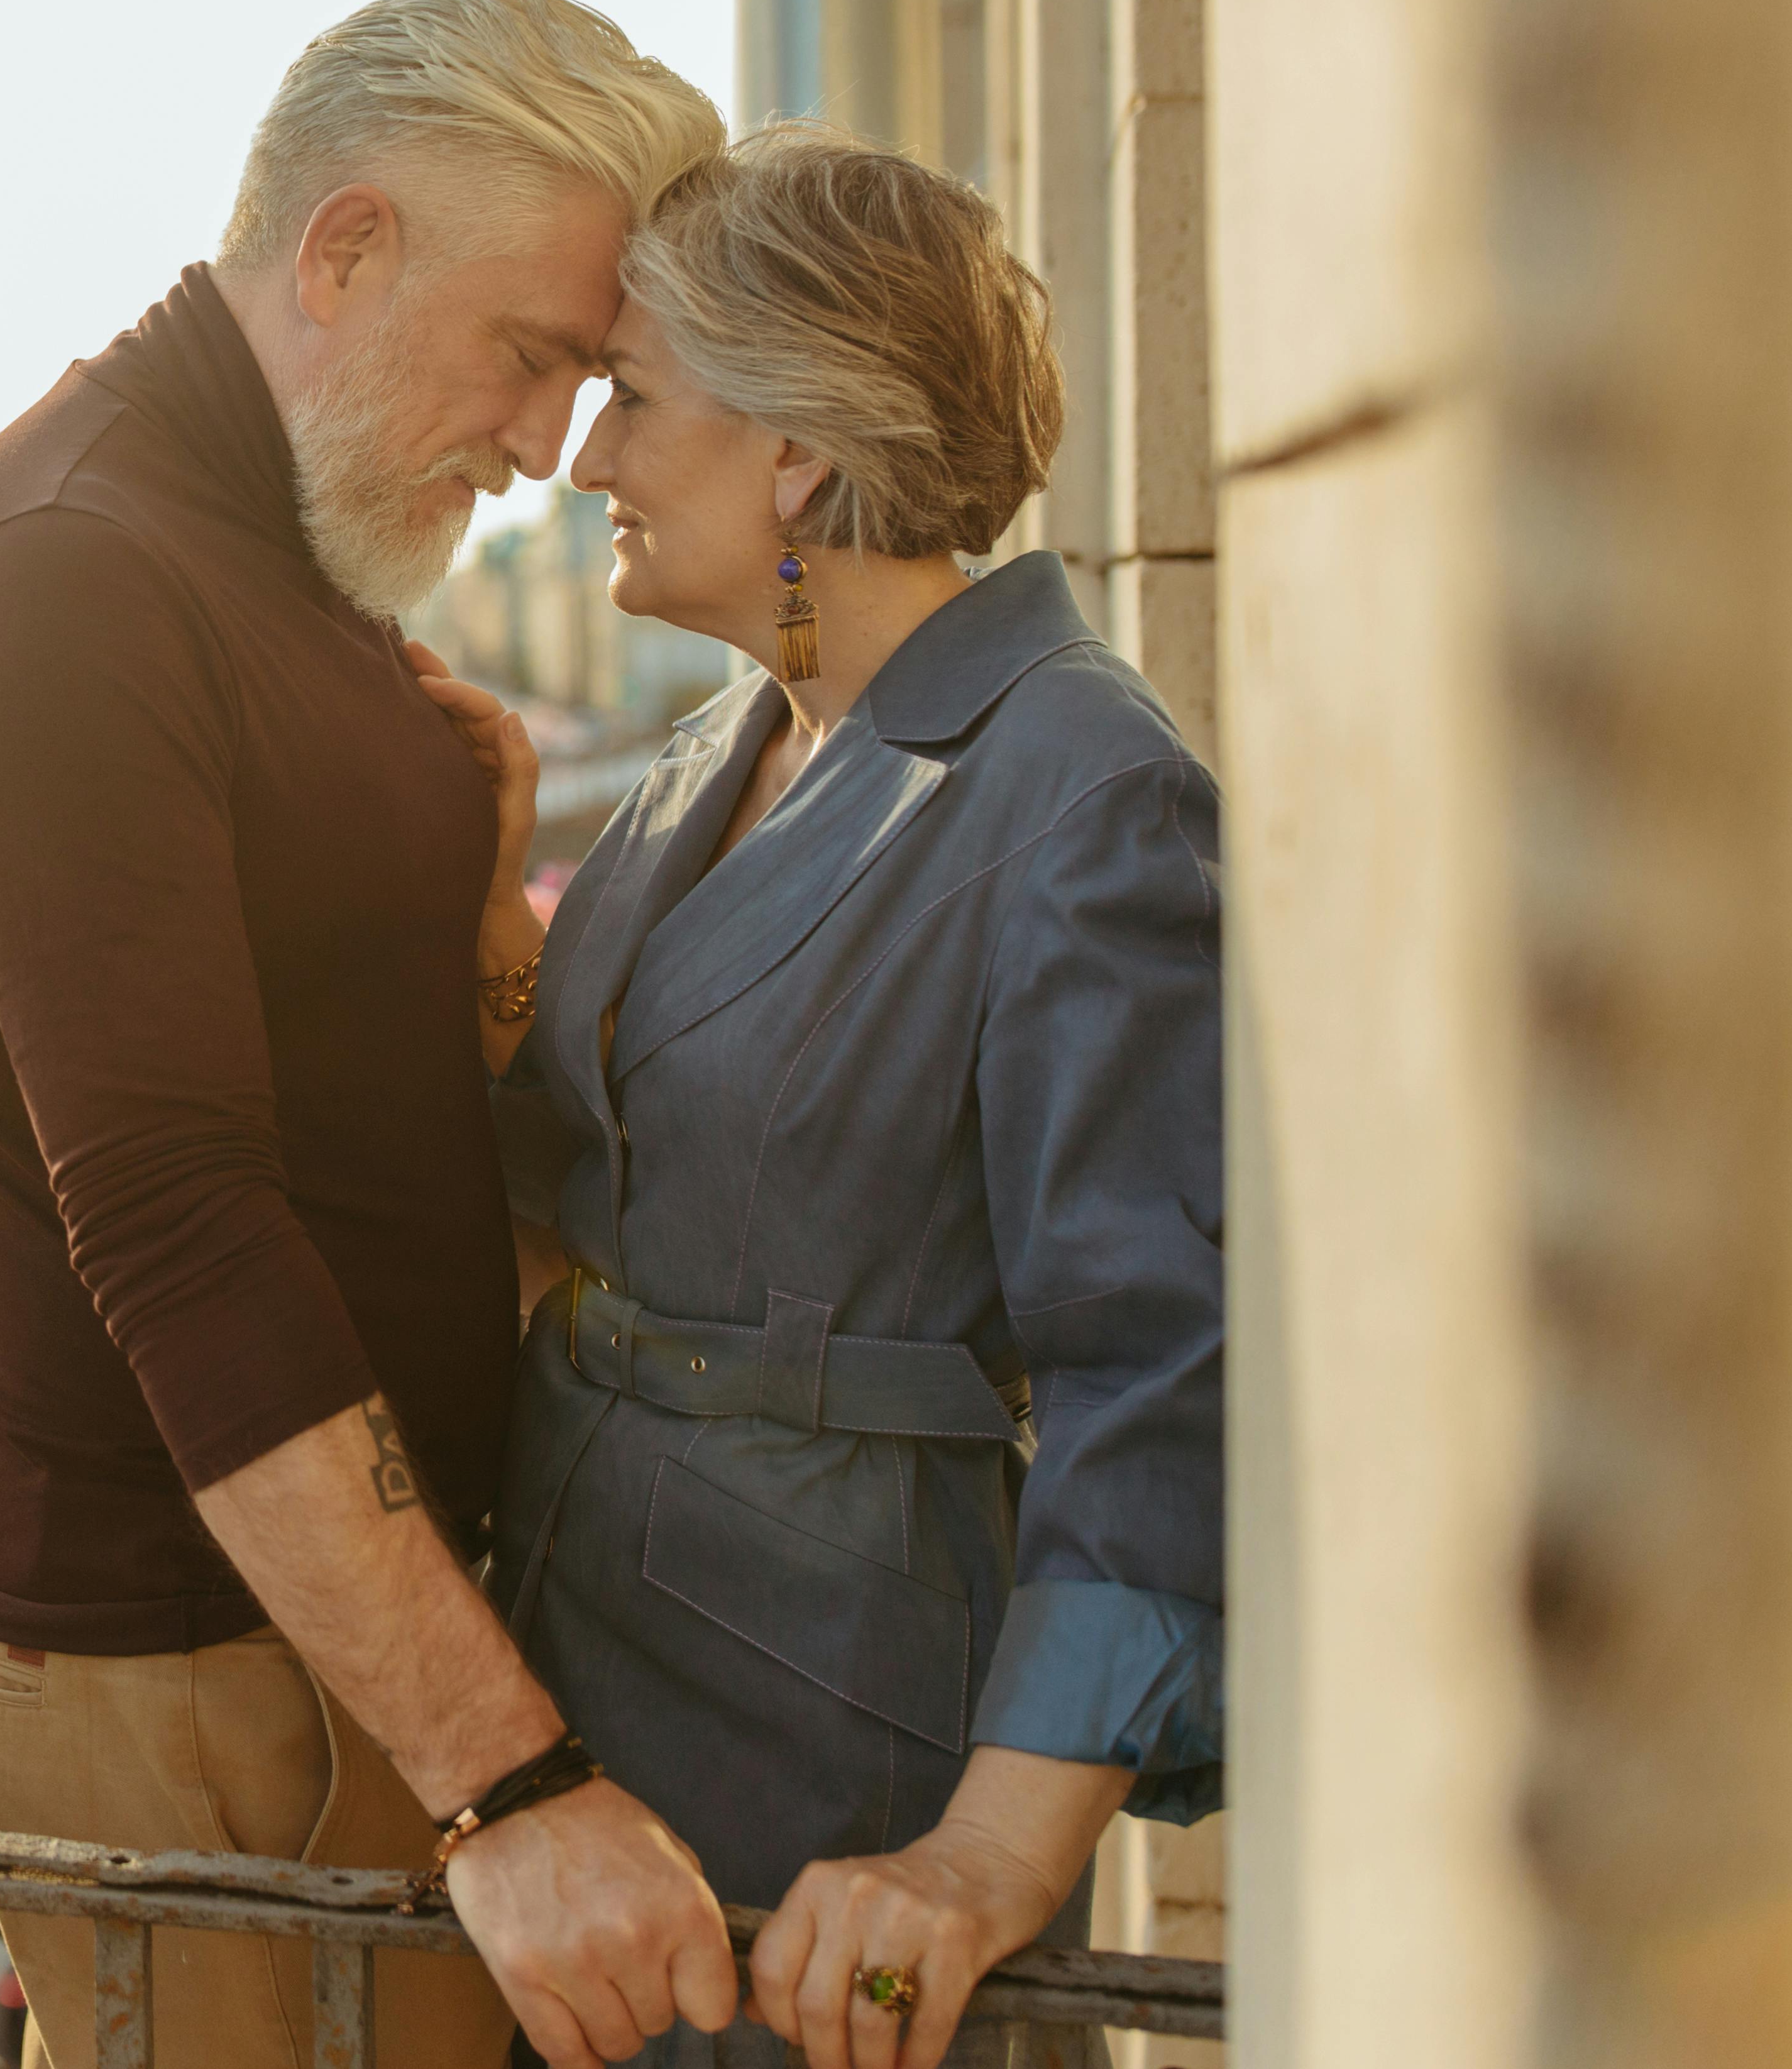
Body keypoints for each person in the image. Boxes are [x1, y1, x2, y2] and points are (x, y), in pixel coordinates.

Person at [0, 0, 743, 2069]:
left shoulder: (280, 539)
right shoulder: (65, 571)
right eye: (533, 358)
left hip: (326, 1636)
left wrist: (471, 841)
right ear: (342, 251)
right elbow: (173, 1222)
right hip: (190, 1667)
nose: (547, 448)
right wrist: (507, 1782)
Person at [416, 124, 1223, 2069]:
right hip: (586, 1630)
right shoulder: (739, 731)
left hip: (825, 1702)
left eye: (633, 397)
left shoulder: (1079, 794)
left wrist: (975, 1867)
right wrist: (486, 886)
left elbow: (1158, 1364)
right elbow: (617, 1154)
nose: (587, 455)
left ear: (792, 449)